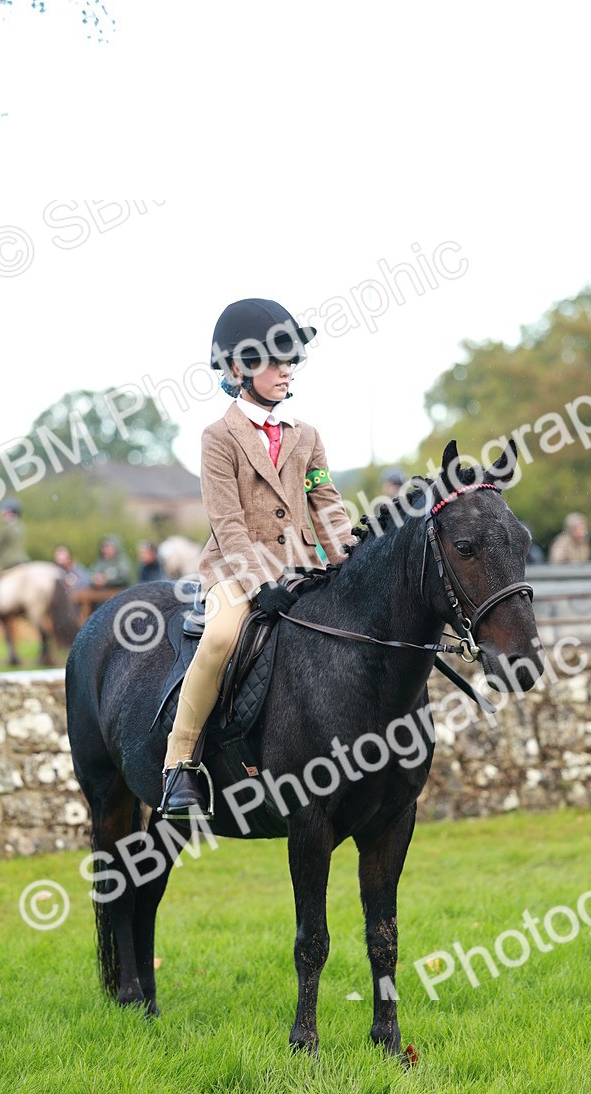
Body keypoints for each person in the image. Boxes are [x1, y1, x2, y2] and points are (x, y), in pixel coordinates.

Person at [160, 297, 356, 818]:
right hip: (236, 570)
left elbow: (328, 507)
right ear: (237, 368)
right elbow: (227, 523)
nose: (285, 370)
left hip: (304, 567)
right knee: (221, 636)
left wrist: (350, 562)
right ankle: (180, 763)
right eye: (273, 361)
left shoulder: (307, 436)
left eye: (290, 360)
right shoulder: (218, 438)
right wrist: (258, 583)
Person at [0, 499, 30, 614]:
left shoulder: (6, 527)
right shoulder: (21, 526)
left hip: (8, 563)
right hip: (22, 561)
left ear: (8, 511)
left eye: (1, 510)